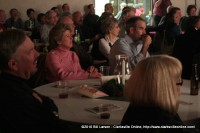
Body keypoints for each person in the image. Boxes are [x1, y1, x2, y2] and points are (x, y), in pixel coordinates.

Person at [0, 29, 70, 133]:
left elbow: (47, 101)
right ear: (13, 64)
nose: (37, 54)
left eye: (35, 48)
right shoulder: (16, 99)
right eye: (30, 51)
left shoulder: (16, 82)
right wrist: (51, 112)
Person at [119, 55, 198, 133]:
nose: (179, 89)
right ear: (164, 87)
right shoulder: (165, 123)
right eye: (178, 82)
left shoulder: (134, 110)